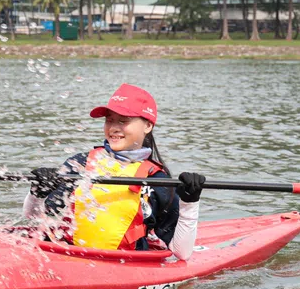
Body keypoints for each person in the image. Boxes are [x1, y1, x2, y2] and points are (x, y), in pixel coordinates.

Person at [23, 83, 205, 261]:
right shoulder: (79, 164)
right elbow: (33, 217)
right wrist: (37, 193)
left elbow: (182, 253)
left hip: (125, 268)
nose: (113, 128)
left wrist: (190, 202)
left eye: (123, 121)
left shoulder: (157, 180)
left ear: (147, 126)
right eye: (109, 120)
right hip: (71, 259)